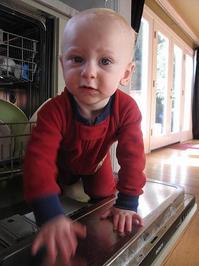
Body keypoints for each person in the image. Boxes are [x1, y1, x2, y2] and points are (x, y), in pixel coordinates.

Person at [24, 7, 146, 265]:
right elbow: (39, 162)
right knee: (53, 190)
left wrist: (127, 202)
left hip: (96, 164)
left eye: (105, 61)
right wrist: (50, 216)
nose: (88, 72)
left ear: (125, 73)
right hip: (60, 163)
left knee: (103, 194)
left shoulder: (127, 109)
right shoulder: (53, 111)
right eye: (77, 59)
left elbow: (133, 157)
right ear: (62, 64)